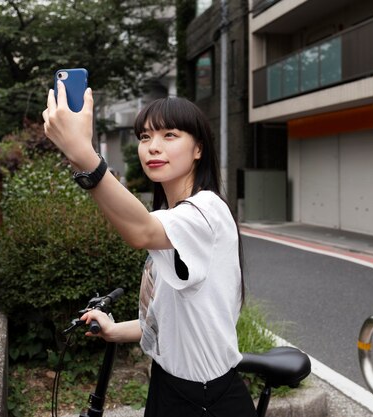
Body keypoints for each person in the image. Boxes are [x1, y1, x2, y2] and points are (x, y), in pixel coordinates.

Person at [42, 81, 256, 417]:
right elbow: (165, 321)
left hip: (208, 401)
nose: (152, 147)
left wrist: (84, 155)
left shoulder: (206, 210)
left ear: (198, 148)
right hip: (168, 387)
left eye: (169, 135)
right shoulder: (173, 222)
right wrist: (114, 330)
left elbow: (140, 231)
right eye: (145, 137)